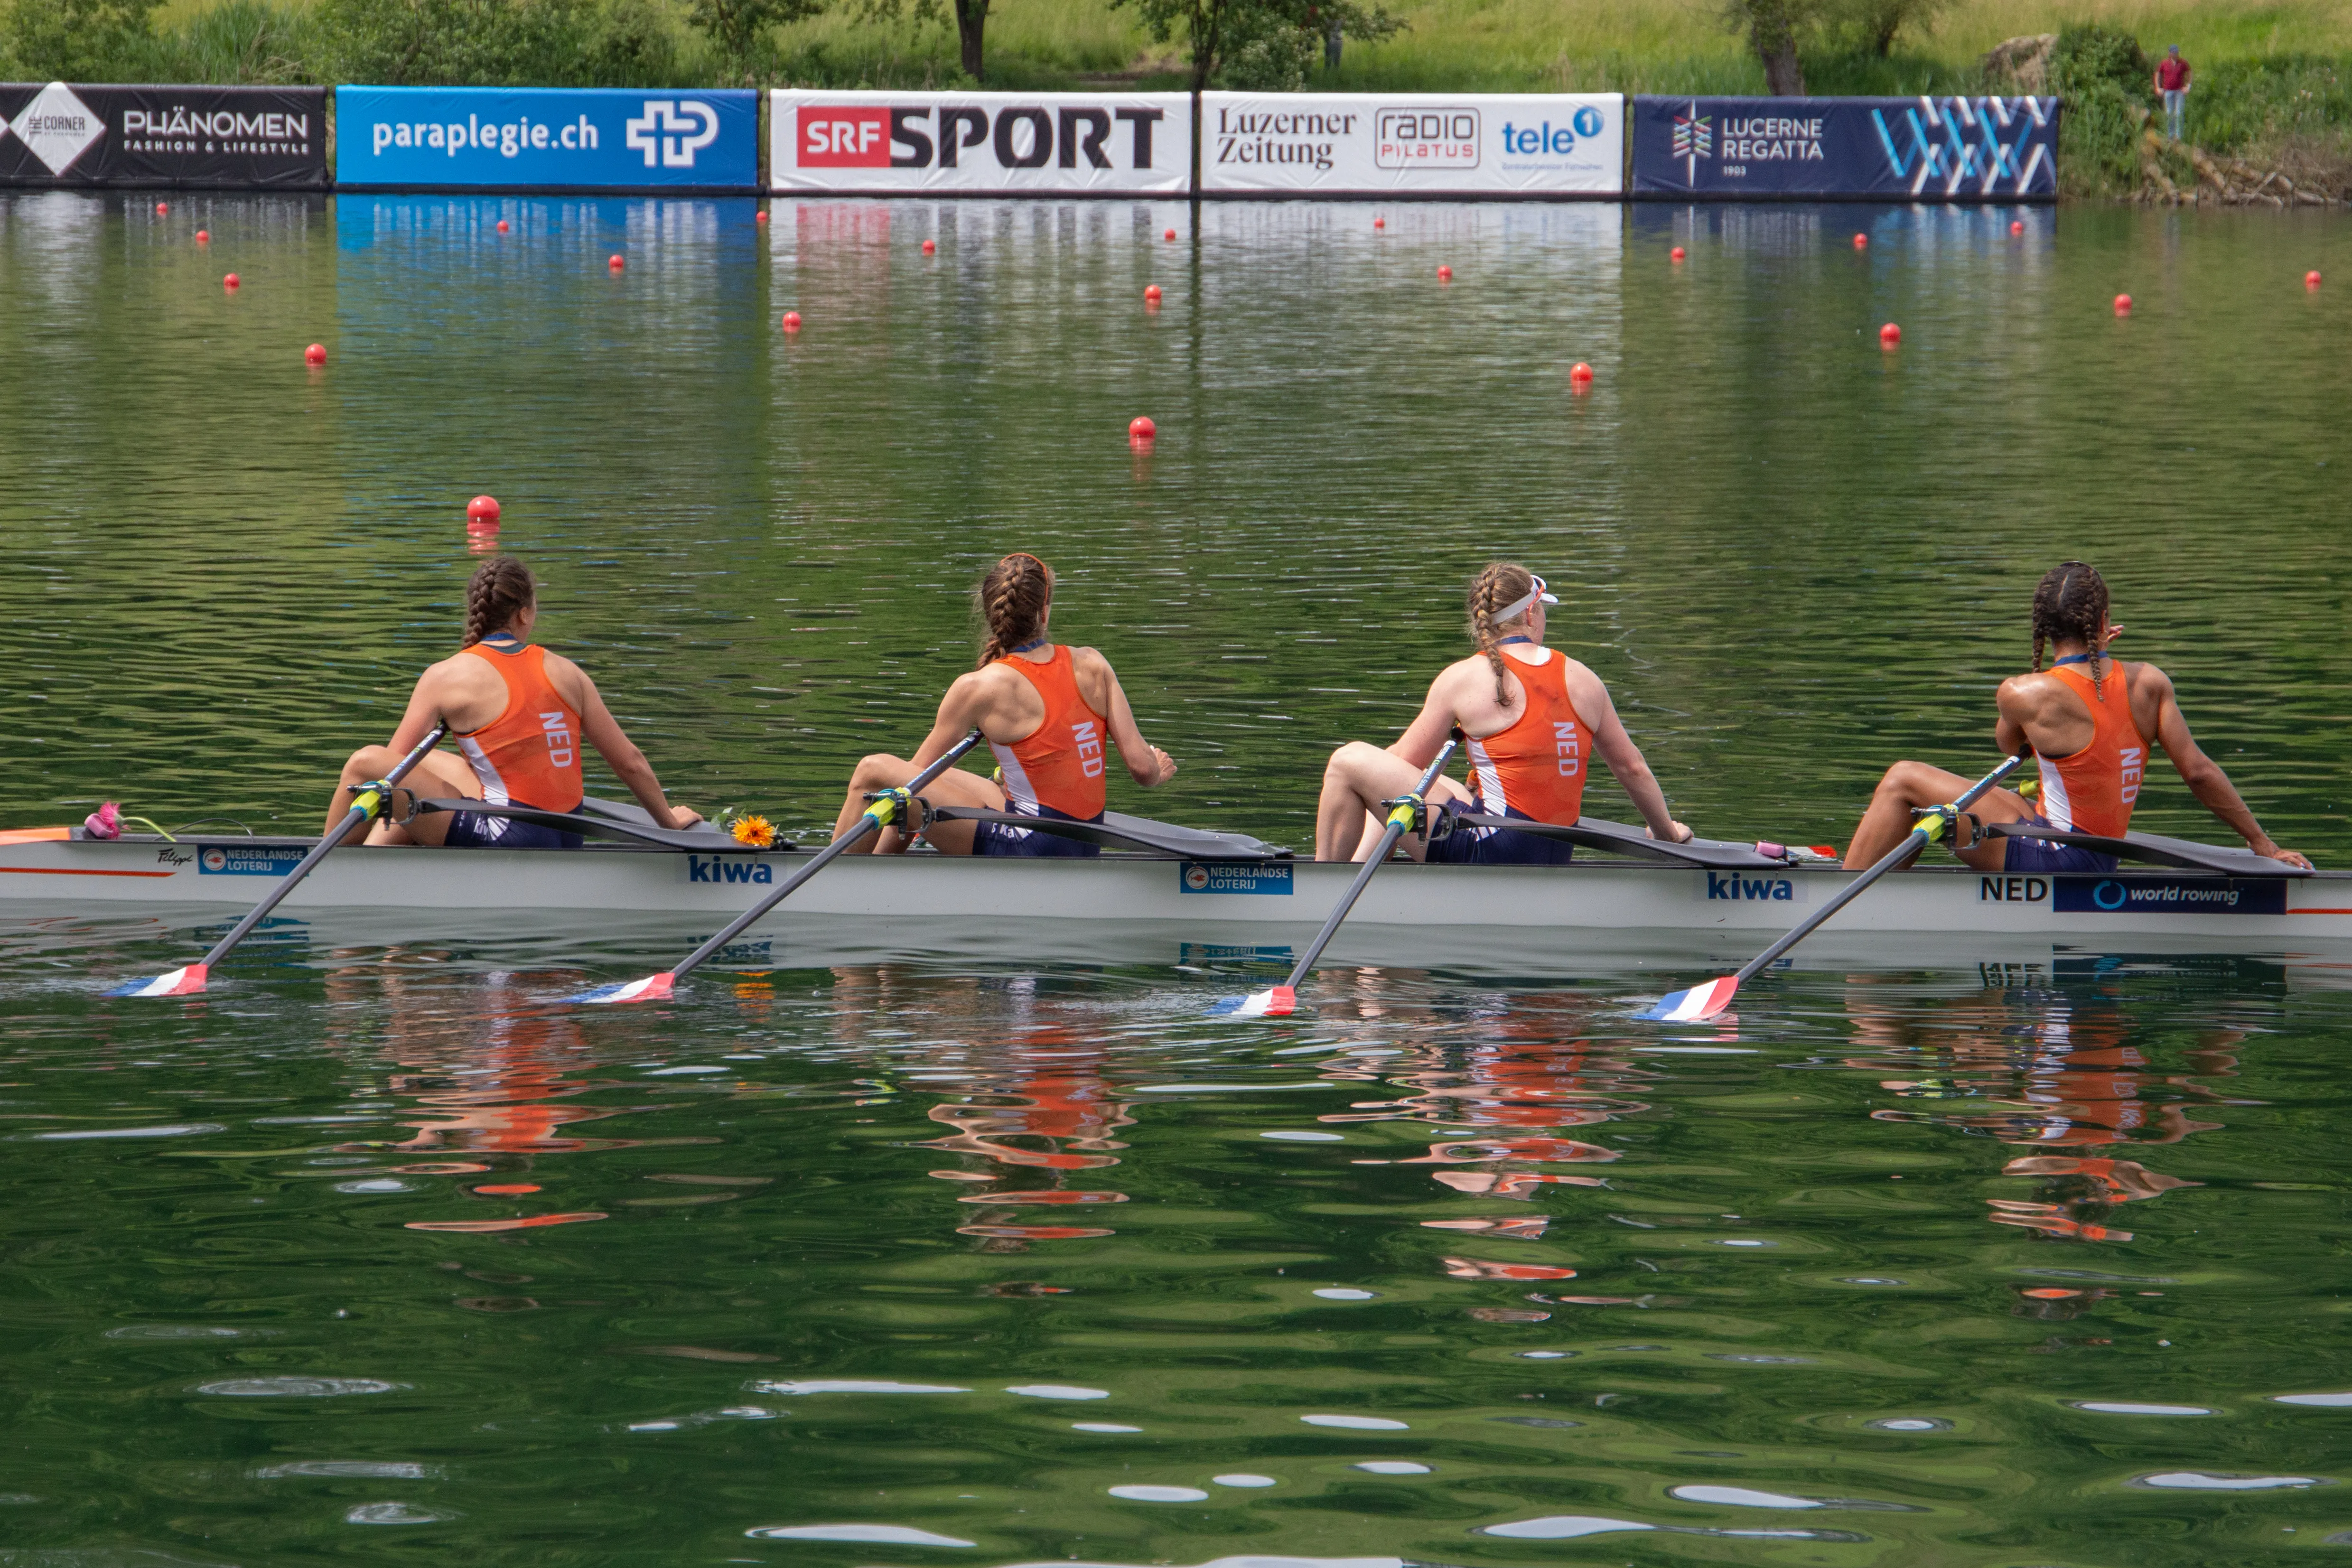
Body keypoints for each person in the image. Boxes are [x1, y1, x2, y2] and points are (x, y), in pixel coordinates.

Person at [1842, 560, 2309, 873]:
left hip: (2060, 858)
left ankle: (1845, 896)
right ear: (2104, 622)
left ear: (2044, 628)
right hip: (2100, 854)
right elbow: (2199, 772)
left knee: (1903, 778)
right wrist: (2262, 845)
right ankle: (1886, 888)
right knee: (1994, 801)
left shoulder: (2023, 692)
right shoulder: (2149, 682)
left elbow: (2010, 745)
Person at [1313, 562, 1692, 863]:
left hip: (1492, 851)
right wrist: (1667, 837)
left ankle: (1328, 883)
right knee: (1451, 787)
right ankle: (1363, 867)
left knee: (1349, 763)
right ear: (1530, 614)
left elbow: (1402, 763)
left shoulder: (1462, 678)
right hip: (1555, 852)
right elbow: (1632, 769)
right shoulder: (1584, 678)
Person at [325, 556, 701, 847]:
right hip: (569, 837)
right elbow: (630, 763)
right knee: (434, 762)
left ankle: (335, 870)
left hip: (508, 834)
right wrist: (669, 824)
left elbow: (391, 775)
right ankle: (386, 870)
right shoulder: (568, 671)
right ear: (523, 613)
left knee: (365, 764)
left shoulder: (445, 675)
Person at [831, 552, 1177, 856]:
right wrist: (1157, 768)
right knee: (945, 777)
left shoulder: (977, 686)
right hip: (1085, 841)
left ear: (991, 613)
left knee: (873, 772)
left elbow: (912, 782)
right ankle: (879, 868)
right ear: (1044, 612)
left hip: (1031, 846)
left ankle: (857, 878)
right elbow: (1143, 771)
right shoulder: (1092, 663)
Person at [2155, 46, 2191, 141]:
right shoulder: (2165, 63)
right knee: (2169, 113)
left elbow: (2189, 72)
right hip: (2168, 91)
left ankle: (2179, 136)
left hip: (2179, 91)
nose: (2176, 54)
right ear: (2170, 53)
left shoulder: (2182, 63)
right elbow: (2158, 73)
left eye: (2177, 52)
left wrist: (2188, 86)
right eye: (2174, 52)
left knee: (2179, 113)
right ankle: (2170, 135)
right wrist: (2158, 87)